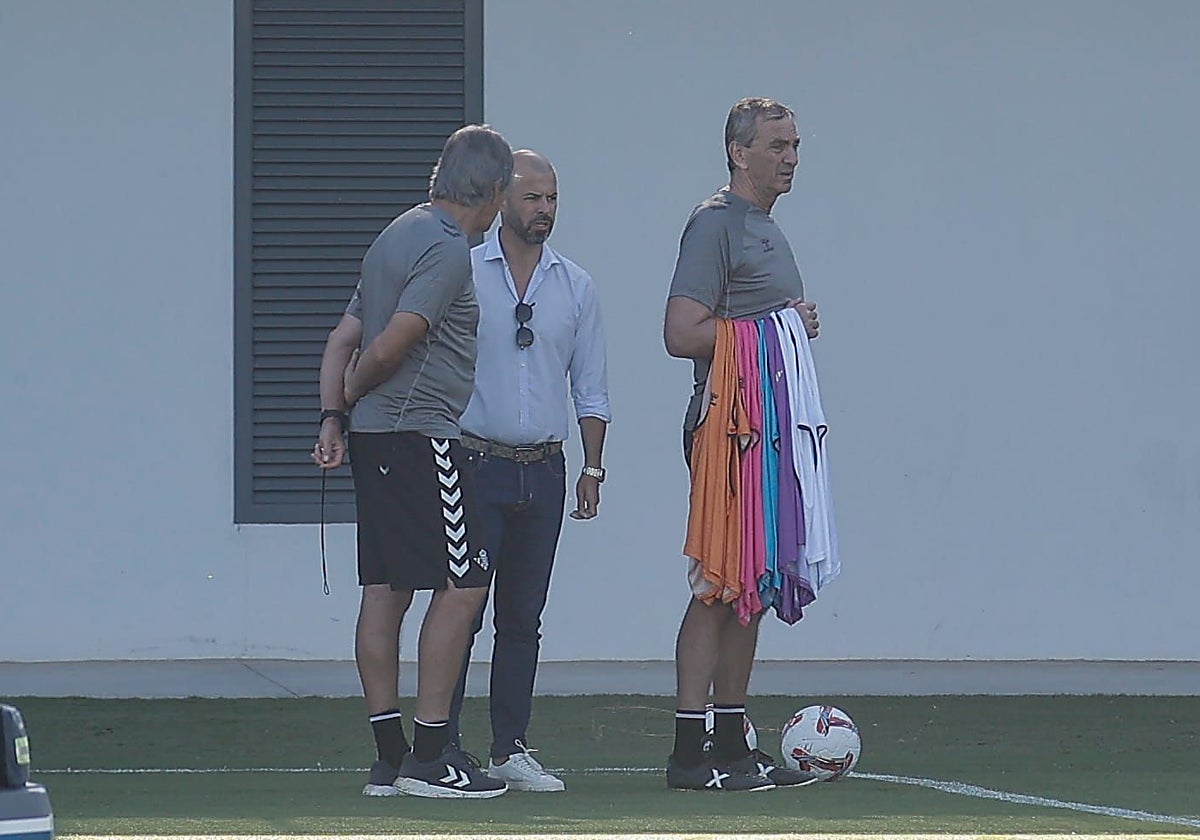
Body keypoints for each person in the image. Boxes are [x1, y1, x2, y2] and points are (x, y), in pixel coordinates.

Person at [312, 124, 514, 799]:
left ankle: (388, 757)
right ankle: (431, 755)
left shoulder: (394, 234)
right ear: (490, 193)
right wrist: (354, 392)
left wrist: (334, 418)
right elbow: (392, 342)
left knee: (386, 589)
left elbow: (343, 334)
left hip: (376, 438)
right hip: (419, 435)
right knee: (465, 584)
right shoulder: (449, 248)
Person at [662, 98, 822, 792]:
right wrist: (777, 327)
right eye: (777, 145)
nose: (790, 157)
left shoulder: (766, 229)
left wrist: (788, 328)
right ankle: (688, 751)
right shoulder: (714, 224)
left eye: (795, 145)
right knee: (716, 584)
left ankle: (732, 741)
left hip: (770, 435)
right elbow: (680, 332)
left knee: (750, 586)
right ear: (739, 152)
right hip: (728, 430)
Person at [446, 150, 611, 791]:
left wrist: (594, 469)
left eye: (552, 198)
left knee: (523, 617)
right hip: (474, 461)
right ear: (502, 199)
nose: (543, 209)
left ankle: (509, 747)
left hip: (544, 469)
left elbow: (590, 388)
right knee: (460, 608)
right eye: (532, 197)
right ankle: (444, 743)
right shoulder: (465, 270)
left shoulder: (575, 285)